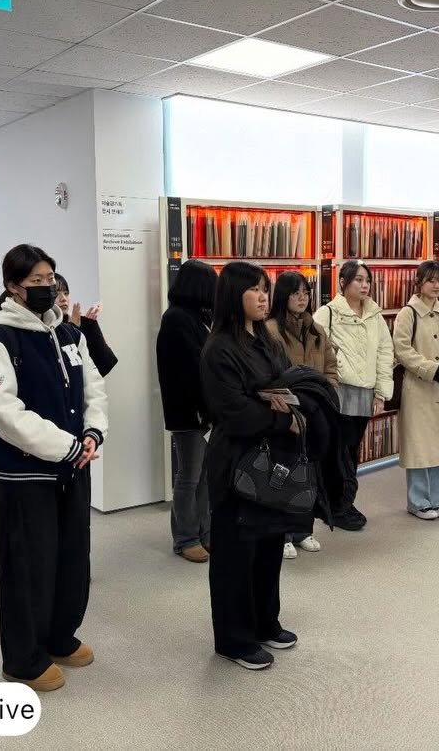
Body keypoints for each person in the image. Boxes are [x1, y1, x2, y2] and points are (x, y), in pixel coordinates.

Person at [0, 245, 108, 692]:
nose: (47, 287)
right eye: (35, 281)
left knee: (72, 558)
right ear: (13, 286)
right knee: (28, 567)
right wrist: (67, 447)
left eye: (50, 278)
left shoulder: (70, 335)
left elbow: (93, 386)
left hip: (72, 469)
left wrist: (92, 434)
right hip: (26, 476)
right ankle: (22, 658)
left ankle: (59, 637)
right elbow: (2, 411)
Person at [200, 261, 303, 670]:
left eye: (266, 289)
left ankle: (265, 622)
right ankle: (233, 639)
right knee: (234, 555)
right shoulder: (218, 348)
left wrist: (276, 402)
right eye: (255, 290)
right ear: (233, 295)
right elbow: (235, 412)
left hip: (272, 458)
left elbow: (286, 386)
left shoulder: (267, 338)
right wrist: (279, 413)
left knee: (269, 544)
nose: (264, 297)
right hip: (236, 463)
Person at [315, 260, 394, 530]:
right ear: (342, 283)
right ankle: (338, 505)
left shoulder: (375, 316)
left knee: (351, 451)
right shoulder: (327, 313)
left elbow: (386, 355)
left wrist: (381, 394)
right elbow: (317, 351)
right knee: (336, 453)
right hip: (337, 392)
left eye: (367, 280)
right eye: (358, 280)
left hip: (364, 392)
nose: (364, 285)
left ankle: (344, 502)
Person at [266, 271, 337, 557]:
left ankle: (303, 529)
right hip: (285, 411)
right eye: (295, 293)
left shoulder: (317, 329)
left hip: (315, 411)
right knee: (281, 470)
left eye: (305, 293)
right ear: (283, 296)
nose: (302, 298)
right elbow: (269, 374)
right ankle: (281, 533)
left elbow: (331, 365)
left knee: (309, 471)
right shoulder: (269, 330)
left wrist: (326, 390)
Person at [392, 261, 439, 519]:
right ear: (419, 282)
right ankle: (417, 501)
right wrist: (432, 369)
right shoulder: (408, 313)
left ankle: (437, 498)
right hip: (418, 389)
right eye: (431, 280)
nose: (436, 285)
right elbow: (402, 350)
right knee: (419, 446)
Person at [155, 259, 218, 563]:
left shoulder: (199, 318)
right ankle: (185, 537)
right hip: (190, 412)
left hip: (205, 411)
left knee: (205, 475)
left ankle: (204, 531)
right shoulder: (177, 319)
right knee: (189, 476)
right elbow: (190, 370)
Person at [54, 272, 118, 377]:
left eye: (66, 293)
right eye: (57, 294)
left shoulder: (79, 322)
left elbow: (104, 365)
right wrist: (73, 328)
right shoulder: (47, 327)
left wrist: (89, 329)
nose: (63, 298)